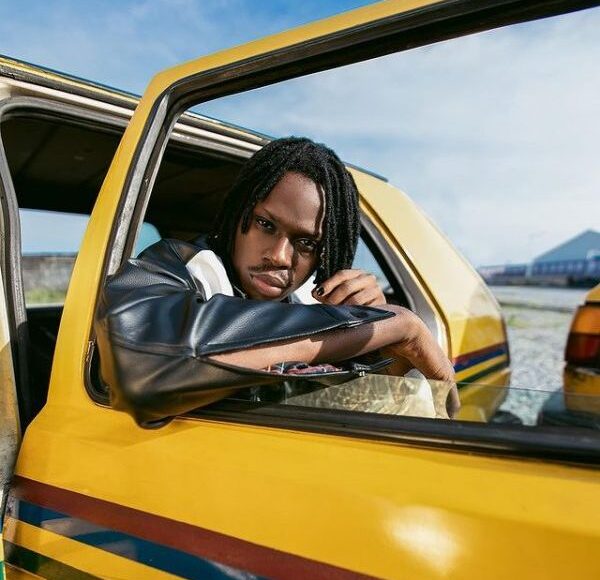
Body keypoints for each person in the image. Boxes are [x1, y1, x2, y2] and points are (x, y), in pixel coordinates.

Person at [95, 137, 458, 428]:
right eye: (266, 225)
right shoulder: (177, 266)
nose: (280, 256)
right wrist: (395, 326)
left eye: (306, 243)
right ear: (240, 211)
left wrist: (370, 334)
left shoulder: (312, 301)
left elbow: (380, 408)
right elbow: (143, 367)